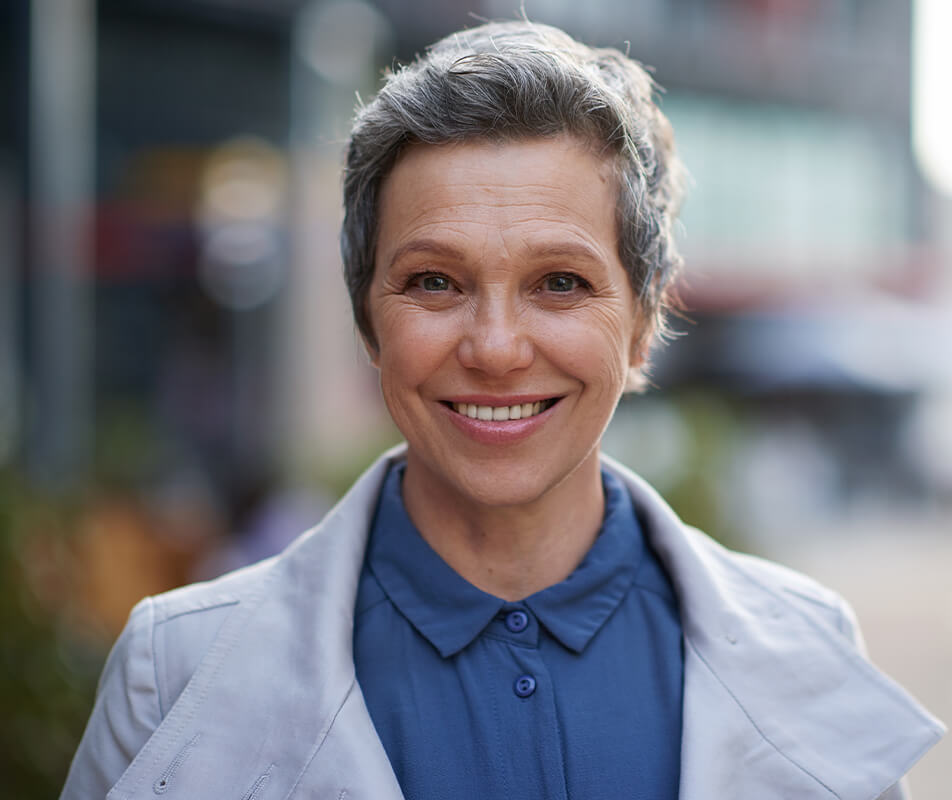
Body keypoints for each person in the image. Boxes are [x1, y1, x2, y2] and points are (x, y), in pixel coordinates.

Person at [61, 20, 943, 800]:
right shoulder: (171, 673)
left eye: (560, 283)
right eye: (434, 282)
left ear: (644, 320)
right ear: (369, 319)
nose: (494, 347)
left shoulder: (808, 647)